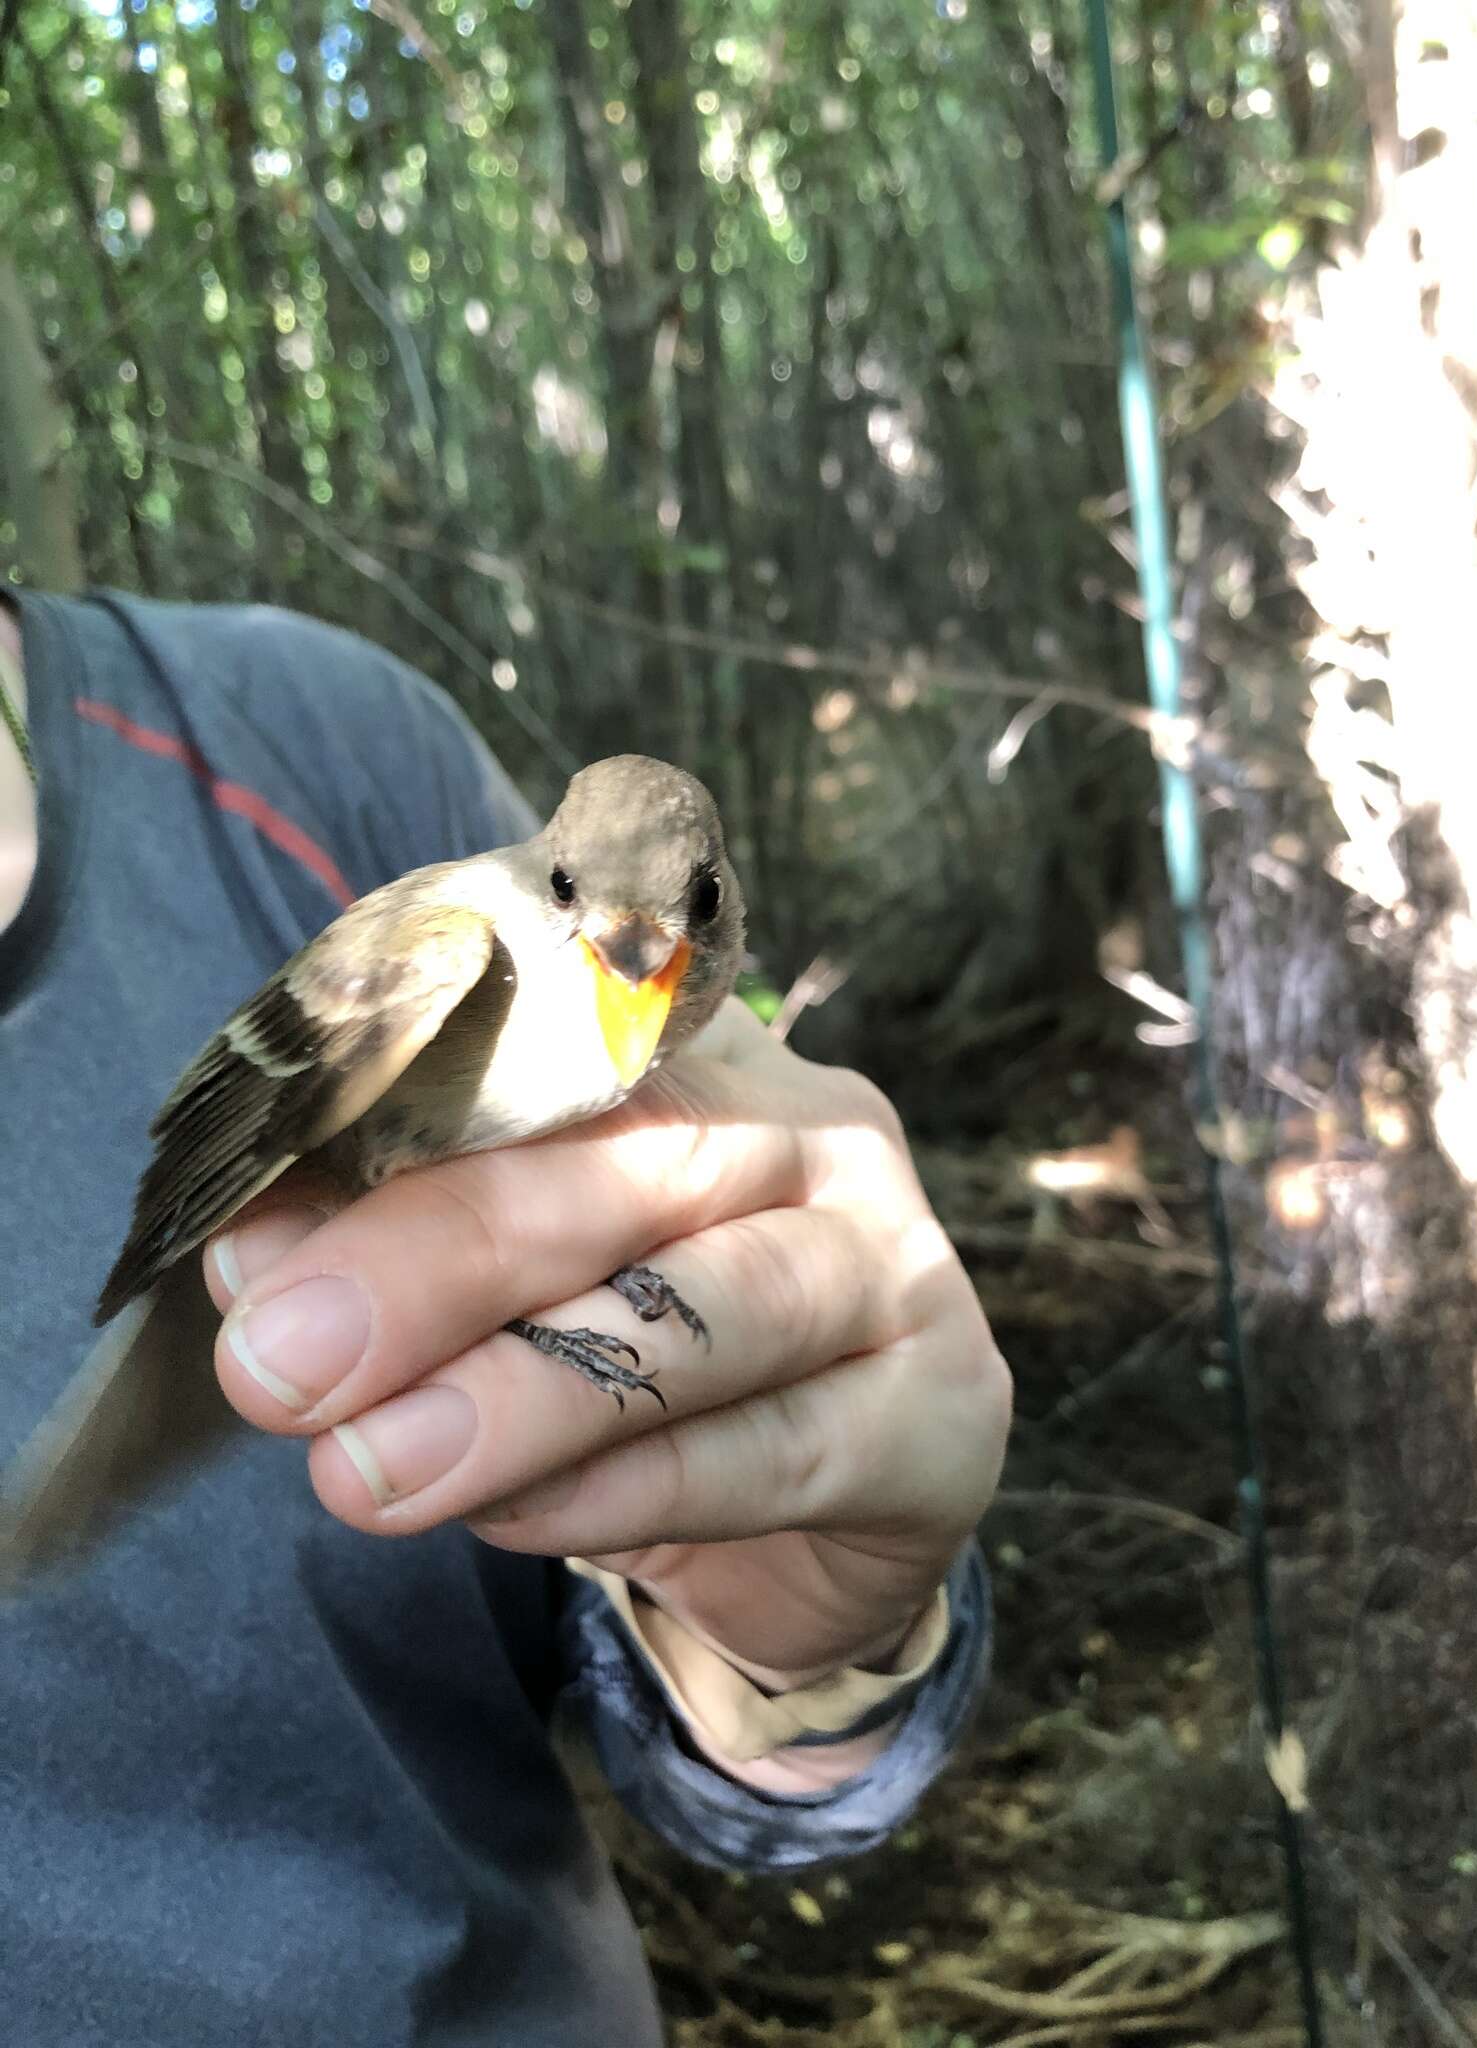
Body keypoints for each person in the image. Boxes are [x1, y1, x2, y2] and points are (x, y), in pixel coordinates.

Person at [0, 584, 1010, 2046]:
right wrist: (184, 1251)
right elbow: (243, 1113)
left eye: (687, 923)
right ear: (542, 882)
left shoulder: (324, 747)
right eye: (580, 912)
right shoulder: (435, 946)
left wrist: (817, 1623)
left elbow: (762, 1777)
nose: (636, 961)